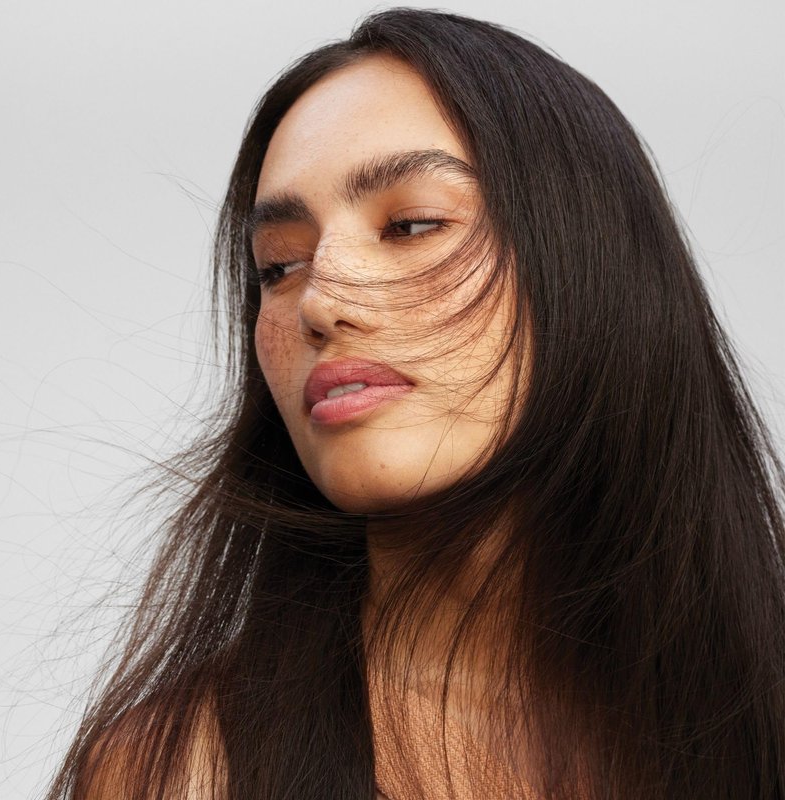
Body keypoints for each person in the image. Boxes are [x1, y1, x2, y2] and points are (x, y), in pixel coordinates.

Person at [46, 8, 785, 799]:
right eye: (279, 266)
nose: (320, 300)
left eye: (410, 226)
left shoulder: (756, 722)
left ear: (588, 263)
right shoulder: (180, 770)